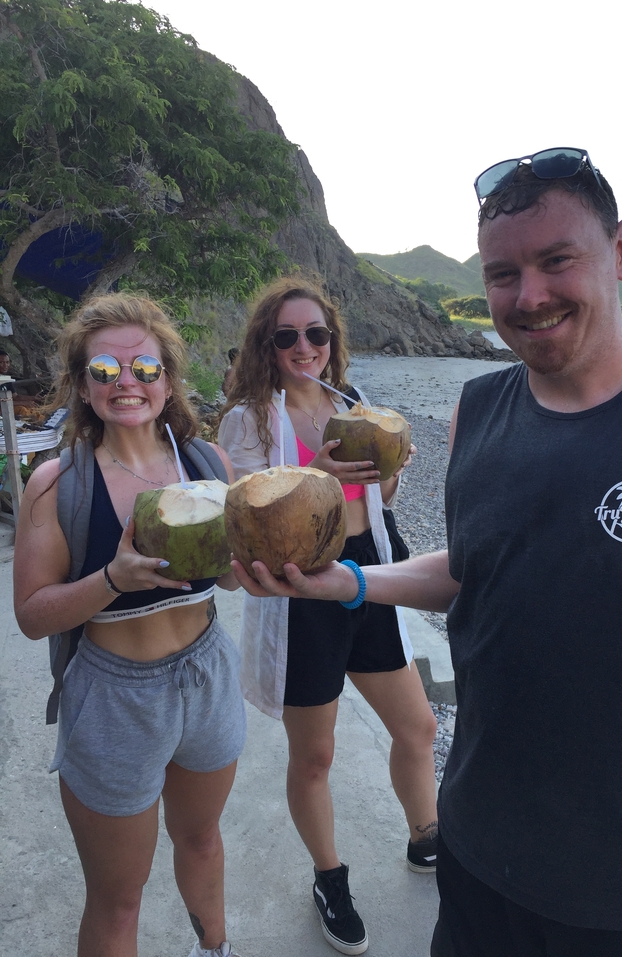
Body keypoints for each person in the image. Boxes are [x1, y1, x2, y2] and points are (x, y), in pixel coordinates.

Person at [231, 150, 622, 957]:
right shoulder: (478, 409)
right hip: (480, 859)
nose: (528, 296)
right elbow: (468, 571)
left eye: (557, 260)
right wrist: (344, 581)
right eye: (502, 273)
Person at [13, 293, 246, 957]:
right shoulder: (58, 485)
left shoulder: (207, 466)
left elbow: (224, 578)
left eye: (143, 369)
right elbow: (32, 617)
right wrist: (112, 579)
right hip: (114, 696)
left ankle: (215, 949)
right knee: (120, 897)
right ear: (83, 387)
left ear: (168, 381)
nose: (126, 385)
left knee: (202, 839)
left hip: (207, 674)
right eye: (105, 371)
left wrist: (258, 562)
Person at [218, 277, 438, 956]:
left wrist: (393, 465)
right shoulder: (248, 419)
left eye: (316, 334)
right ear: (267, 344)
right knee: (315, 754)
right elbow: (250, 511)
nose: (304, 347)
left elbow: (384, 495)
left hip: (367, 574)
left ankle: (428, 837)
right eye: (287, 336)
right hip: (300, 593)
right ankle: (329, 877)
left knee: (421, 726)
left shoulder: (354, 402)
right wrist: (325, 469)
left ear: (332, 340)